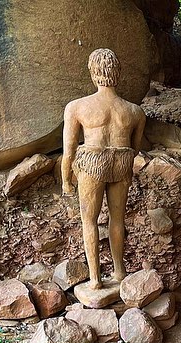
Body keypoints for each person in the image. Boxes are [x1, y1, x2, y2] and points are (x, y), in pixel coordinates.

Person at [61, 48, 146, 290]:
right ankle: (119, 272)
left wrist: (66, 178)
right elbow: (135, 148)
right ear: (117, 73)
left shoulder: (77, 107)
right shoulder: (134, 111)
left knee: (89, 221)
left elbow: (69, 150)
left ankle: (95, 279)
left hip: (92, 162)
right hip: (121, 161)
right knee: (117, 219)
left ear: (93, 72)